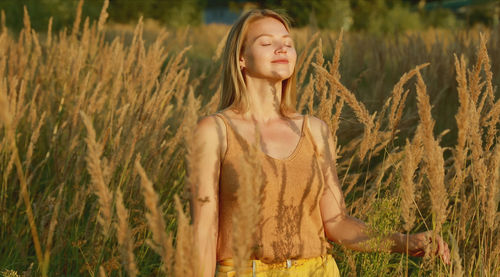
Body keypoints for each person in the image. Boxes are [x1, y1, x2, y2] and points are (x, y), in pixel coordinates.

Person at [190, 9, 450, 277]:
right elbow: (204, 233)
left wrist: (405, 242)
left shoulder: (315, 130)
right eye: (267, 43)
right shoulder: (214, 131)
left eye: (288, 43)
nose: (282, 48)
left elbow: (337, 223)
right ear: (241, 58)